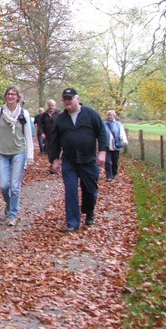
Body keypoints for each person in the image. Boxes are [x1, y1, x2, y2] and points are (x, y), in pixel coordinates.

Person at [48, 88, 108, 232]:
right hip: (69, 161)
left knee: (90, 190)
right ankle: (72, 223)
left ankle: (89, 211)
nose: (67, 101)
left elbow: (102, 132)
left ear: (77, 98)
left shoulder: (90, 114)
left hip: (89, 160)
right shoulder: (61, 119)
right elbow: (54, 141)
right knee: (70, 190)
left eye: (70, 98)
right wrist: (54, 159)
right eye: (65, 99)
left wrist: (103, 152)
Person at [0, 86, 34, 226]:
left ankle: (13, 214)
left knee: (15, 186)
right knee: (3, 185)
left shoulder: (23, 114)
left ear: (18, 97)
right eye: (8, 94)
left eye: (13, 94)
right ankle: (9, 203)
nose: (10, 96)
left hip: (18, 153)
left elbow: (28, 136)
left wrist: (30, 156)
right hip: (2, 153)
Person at [104, 110, 128, 181]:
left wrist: (124, 140)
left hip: (115, 145)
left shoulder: (118, 124)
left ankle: (114, 173)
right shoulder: (104, 124)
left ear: (114, 116)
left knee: (115, 161)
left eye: (111, 115)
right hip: (107, 145)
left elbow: (122, 133)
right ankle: (109, 176)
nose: (109, 116)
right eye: (108, 115)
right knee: (107, 162)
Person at [41, 99, 60, 173]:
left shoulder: (59, 114)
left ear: (55, 106)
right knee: (49, 150)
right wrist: (42, 132)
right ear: (47, 106)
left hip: (57, 136)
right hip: (47, 136)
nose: (51, 107)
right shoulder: (44, 115)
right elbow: (40, 124)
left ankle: (55, 164)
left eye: (52, 105)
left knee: (56, 149)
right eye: (49, 105)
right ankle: (52, 163)